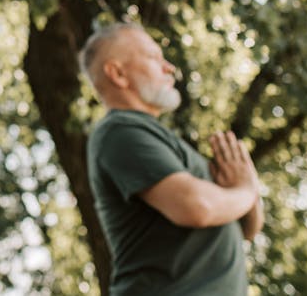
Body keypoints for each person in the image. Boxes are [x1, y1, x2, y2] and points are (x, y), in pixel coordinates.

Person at [81, 23, 263, 295]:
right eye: (154, 58)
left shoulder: (168, 144)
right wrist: (246, 190)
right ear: (117, 73)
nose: (169, 68)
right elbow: (197, 206)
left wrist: (245, 193)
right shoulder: (119, 131)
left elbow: (245, 229)